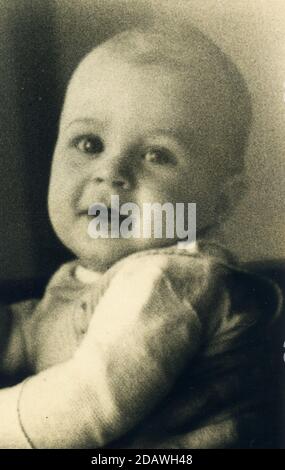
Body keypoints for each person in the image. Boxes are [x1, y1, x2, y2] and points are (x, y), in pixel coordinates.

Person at [0, 25, 281, 448]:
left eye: (156, 155)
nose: (110, 172)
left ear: (220, 202)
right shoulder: (83, 277)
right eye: (90, 144)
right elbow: (30, 336)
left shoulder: (171, 279)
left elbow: (84, 405)